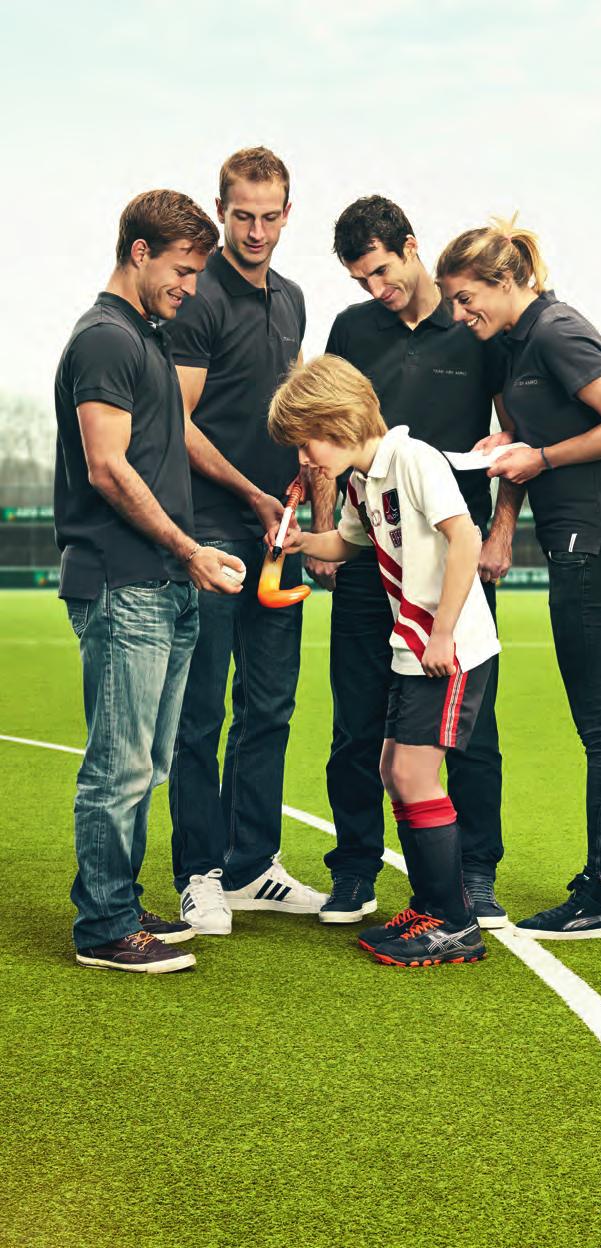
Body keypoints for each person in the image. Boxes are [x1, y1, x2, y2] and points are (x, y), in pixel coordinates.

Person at [436, 218, 601, 934]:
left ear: (503, 280)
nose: (462, 317)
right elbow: (535, 438)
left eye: (467, 300)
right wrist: (511, 460)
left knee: (599, 724)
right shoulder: (517, 344)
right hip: (577, 539)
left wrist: (542, 456)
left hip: (597, 542)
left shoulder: (557, 330)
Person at [308, 195, 519, 928]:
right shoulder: (351, 329)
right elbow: (324, 430)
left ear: (410, 246)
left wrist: (500, 530)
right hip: (372, 551)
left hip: (453, 564)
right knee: (357, 722)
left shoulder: (472, 325)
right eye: (360, 279)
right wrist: (321, 526)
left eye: (382, 271)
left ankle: (475, 871)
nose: (375, 289)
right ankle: (355, 869)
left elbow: (513, 433)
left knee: (470, 729)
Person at [54, 189, 241, 973]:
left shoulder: (147, 336)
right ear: (139, 252)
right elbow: (106, 466)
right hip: (123, 579)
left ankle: (118, 903)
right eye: (183, 269)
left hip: (165, 581)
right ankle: (102, 927)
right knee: (120, 764)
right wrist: (187, 548)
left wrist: (244, 502)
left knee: (147, 762)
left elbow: (168, 447)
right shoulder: (105, 338)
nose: (190, 285)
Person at [268, 354, 499, 966]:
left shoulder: (414, 460)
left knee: (415, 775)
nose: (303, 458)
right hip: (411, 649)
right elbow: (349, 543)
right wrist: (298, 542)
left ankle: (452, 922)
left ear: (341, 420)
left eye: (308, 440)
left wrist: (443, 632)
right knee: (396, 768)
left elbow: (466, 537)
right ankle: (432, 907)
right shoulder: (361, 480)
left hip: (447, 649)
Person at [165, 147, 326, 936]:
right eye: (242, 215)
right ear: (222, 210)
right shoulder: (199, 299)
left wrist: (303, 477)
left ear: (288, 213)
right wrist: (252, 494)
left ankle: (254, 865)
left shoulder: (292, 299)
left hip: (279, 532)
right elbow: (177, 423)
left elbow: (292, 401)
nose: (257, 231)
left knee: (270, 705)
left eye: (270, 216)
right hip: (213, 527)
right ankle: (197, 871)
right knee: (201, 712)